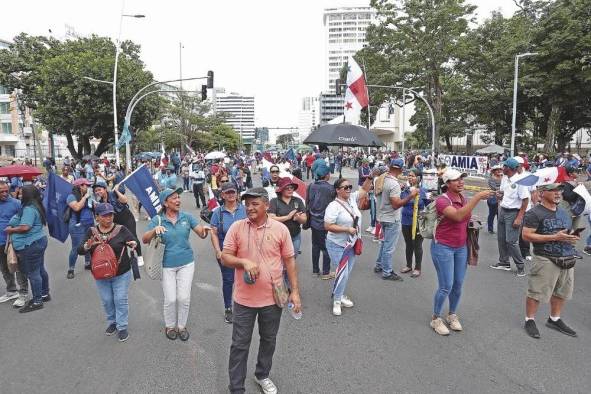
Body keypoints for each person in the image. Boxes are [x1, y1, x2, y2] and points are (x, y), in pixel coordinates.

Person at [221, 187, 301, 394]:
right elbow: (225, 257)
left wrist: (295, 292)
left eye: (255, 204)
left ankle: (262, 374)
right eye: (247, 204)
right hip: (244, 300)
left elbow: (289, 261)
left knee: (269, 339)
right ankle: (236, 387)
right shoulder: (237, 228)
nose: (250, 208)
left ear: (267, 205)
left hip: (273, 298)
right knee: (239, 345)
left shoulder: (280, 229)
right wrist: (244, 262)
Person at [429, 169, 494, 335]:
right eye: (456, 180)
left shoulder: (462, 198)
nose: (460, 182)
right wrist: (478, 197)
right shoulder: (442, 201)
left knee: (458, 284)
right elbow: (457, 216)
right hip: (443, 247)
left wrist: (472, 219)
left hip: (461, 247)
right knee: (446, 286)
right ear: (447, 184)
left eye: (461, 179)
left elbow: (463, 218)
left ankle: (452, 314)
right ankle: (435, 318)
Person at [142, 188, 209, 341]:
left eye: (178, 197)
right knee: (171, 299)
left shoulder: (187, 217)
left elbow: (201, 233)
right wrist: (154, 231)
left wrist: (204, 231)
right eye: (173, 198)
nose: (178, 200)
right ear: (165, 203)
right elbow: (145, 239)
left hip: (186, 263)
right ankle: (170, 326)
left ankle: (181, 326)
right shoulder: (157, 220)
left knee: (184, 298)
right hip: (166, 265)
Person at [522, 183, 579, 339]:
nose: (558, 193)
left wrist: (571, 237)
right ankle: (530, 320)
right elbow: (526, 236)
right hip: (545, 258)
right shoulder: (534, 213)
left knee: (562, 291)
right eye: (553, 190)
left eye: (559, 190)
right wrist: (554, 237)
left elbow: (566, 232)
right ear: (542, 193)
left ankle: (554, 319)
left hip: (566, 257)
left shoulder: (564, 212)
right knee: (536, 292)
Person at [78, 203, 137, 342]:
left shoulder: (121, 229)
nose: (108, 218)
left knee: (120, 299)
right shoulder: (91, 231)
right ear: (97, 217)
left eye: (110, 215)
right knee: (107, 300)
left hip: (121, 272)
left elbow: (133, 240)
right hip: (100, 274)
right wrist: (87, 245)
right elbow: (80, 250)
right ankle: (112, 322)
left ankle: (122, 326)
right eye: (104, 215)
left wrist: (132, 243)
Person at [324, 177, 369, 316]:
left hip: (352, 243)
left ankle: (339, 293)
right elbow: (327, 226)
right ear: (337, 190)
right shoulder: (333, 206)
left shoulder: (351, 199)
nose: (349, 189)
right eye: (345, 187)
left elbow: (365, 189)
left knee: (346, 273)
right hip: (337, 244)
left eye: (350, 186)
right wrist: (346, 230)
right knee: (342, 273)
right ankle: (337, 300)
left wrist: (371, 176)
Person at [5, 185, 50, 313]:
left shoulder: (29, 209)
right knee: (40, 269)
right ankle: (44, 294)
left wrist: (11, 229)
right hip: (37, 241)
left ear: (27, 195)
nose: (19, 195)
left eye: (21, 194)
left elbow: (25, 227)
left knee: (33, 273)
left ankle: (37, 301)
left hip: (30, 244)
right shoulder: (34, 205)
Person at [374, 158, 418, 281]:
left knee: (384, 242)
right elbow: (396, 204)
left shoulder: (382, 179)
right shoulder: (393, 184)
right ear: (400, 169)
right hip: (391, 218)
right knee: (389, 246)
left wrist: (400, 187)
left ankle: (379, 264)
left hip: (382, 216)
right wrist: (411, 195)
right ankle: (387, 272)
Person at [210, 182, 247, 324]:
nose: (231, 195)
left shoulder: (244, 210)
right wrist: (218, 251)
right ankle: (228, 307)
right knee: (228, 280)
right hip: (226, 253)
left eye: (233, 192)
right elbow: (213, 233)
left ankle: (244, 305)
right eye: (228, 193)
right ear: (223, 195)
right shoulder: (217, 213)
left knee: (245, 278)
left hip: (245, 251)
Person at [490, 158, 530, 276]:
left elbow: (525, 200)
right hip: (503, 210)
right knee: (501, 238)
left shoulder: (520, 181)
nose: (503, 168)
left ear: (511, 168)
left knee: (511, 241)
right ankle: (504, 262)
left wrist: (519, 217)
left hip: (514, 213)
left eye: (505, 166)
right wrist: (499, 194)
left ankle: (520, 267)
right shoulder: (505, 178)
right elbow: (503, 193)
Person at [92, 181, 143, 266]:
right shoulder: (100, 202)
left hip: (127, 218)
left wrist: (117, 191)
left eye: (99, 189)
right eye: (96, 191)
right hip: (116, 222)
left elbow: (125, 200)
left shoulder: (113, 194)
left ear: (105, 189)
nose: (98, 192)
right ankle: (123, 257)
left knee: (132, 237)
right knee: (119, 240)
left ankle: (140, 256)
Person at [268, 177, 307, 286]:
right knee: (279, 261)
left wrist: (298, 218)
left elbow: (304, 219)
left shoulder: (298, 201)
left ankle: (289, 285)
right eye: (287, 188)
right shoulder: (274, 201)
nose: (290, 190)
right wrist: (288, 217)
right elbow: (270, 218)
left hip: (295, 236)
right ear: (281, 189)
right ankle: (281, 283)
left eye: (292, 188)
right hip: (278, 237)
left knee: (291, 260)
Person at [0, 180, 28, 308]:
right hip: (0, 243)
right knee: (4, 267)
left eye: (7, 191)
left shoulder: (16, 203)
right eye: (2, 192)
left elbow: (24, 222)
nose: (5, 194)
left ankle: (23, 293)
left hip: (13, 242)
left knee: (18, 267)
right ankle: (11, 290)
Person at [307, 162, 335, 279]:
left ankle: (315, 270)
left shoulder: (311, 186)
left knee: (315, 246)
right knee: (326, 247)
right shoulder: (330, 188)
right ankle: (326, 272)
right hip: (326, 222)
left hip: (313, 220)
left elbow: (307, 203)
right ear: (326, 175)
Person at [400, 168, 428, 278]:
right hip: (406, 221)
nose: (410, 177)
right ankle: (408, 265)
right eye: (409, 175)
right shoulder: (405, 190)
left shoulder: (424, 191)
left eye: (412, 175)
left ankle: (417, 268)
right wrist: (407, 192)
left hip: (419, 223)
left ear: (418, 178)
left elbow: (429, 205)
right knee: (408, 244)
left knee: (417, 245)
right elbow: (401, 202)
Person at [67, 178, 95, 279]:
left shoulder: (89, 196)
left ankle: (88, 263)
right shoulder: (71, 196)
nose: (88, 187)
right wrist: (85, 197)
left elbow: (94, 207)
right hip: (77, 226)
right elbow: (76, 207)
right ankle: (71, 269)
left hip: (89, 223)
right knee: (76, 247)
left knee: (89, 244)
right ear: (80, 186)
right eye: (86, 185)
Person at [487, 165, 503, 234]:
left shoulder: (503, 177)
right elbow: (494, 188)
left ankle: (500, 230)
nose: (499, 171)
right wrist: (502, 189)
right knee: (492, 214)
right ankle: (490, 229)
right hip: (493, 198)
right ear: (493, 171)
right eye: (497, 170)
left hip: (501, 198)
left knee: (499, 215)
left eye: (499, 169)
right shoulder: (491, 179)